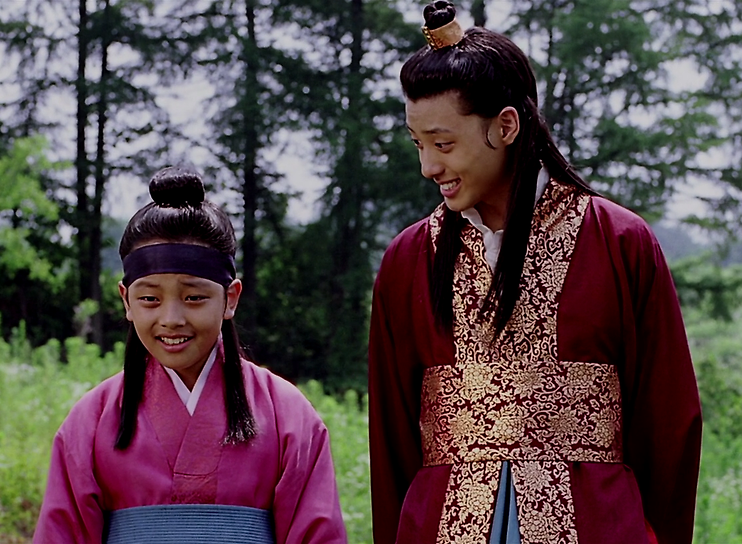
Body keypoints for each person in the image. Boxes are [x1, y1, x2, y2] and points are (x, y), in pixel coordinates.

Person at [368, 2, 702, 543]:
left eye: (444, 144)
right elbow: (391, 441)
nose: (428, 166)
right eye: (418, 144)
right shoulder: (408, 261)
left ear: (505, 126)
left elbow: (669, 425)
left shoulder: (619, 243)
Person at [35, 167, 348, 543]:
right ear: (126, 301)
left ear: (230, 298)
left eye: (194, 297)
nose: (171, 318)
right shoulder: (91, 421)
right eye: (149, 298)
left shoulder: (288, 416)